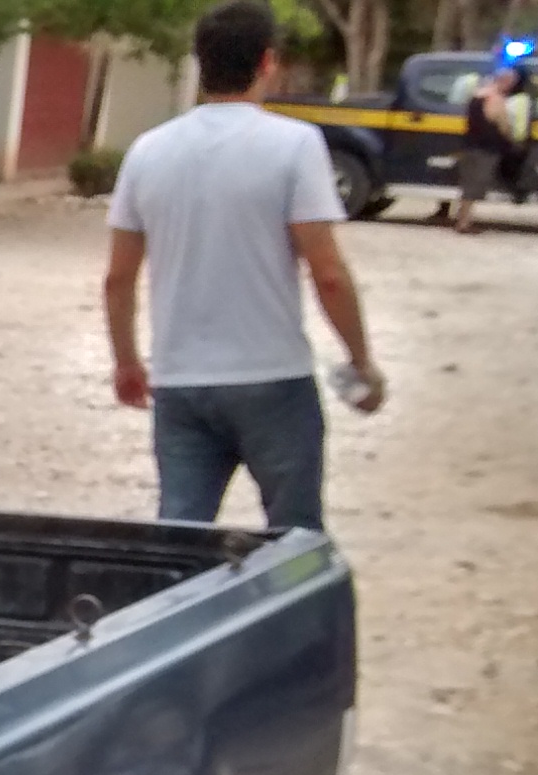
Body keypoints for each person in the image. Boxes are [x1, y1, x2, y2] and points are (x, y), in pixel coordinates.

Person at [103, 0, 383, 534]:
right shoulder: (294, 145)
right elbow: (327, 271)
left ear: (200, 62)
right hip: (272, 374)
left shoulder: (148, 151)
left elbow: (118, 277)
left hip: (181, 377)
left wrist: (127, 361)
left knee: (180, 536)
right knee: (294, 536)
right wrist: (360, 360)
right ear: (267, 61)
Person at [456, 68, 523, 234]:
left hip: (470, 145)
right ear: (505, 81)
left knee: (467, 184)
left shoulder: (478, 95)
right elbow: (502, 124)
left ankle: (462, 219)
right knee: (476, 185)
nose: (511, 86)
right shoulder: (496, 99)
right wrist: (511, 138)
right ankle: (464, 224)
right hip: (486, 149)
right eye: (511, 82)